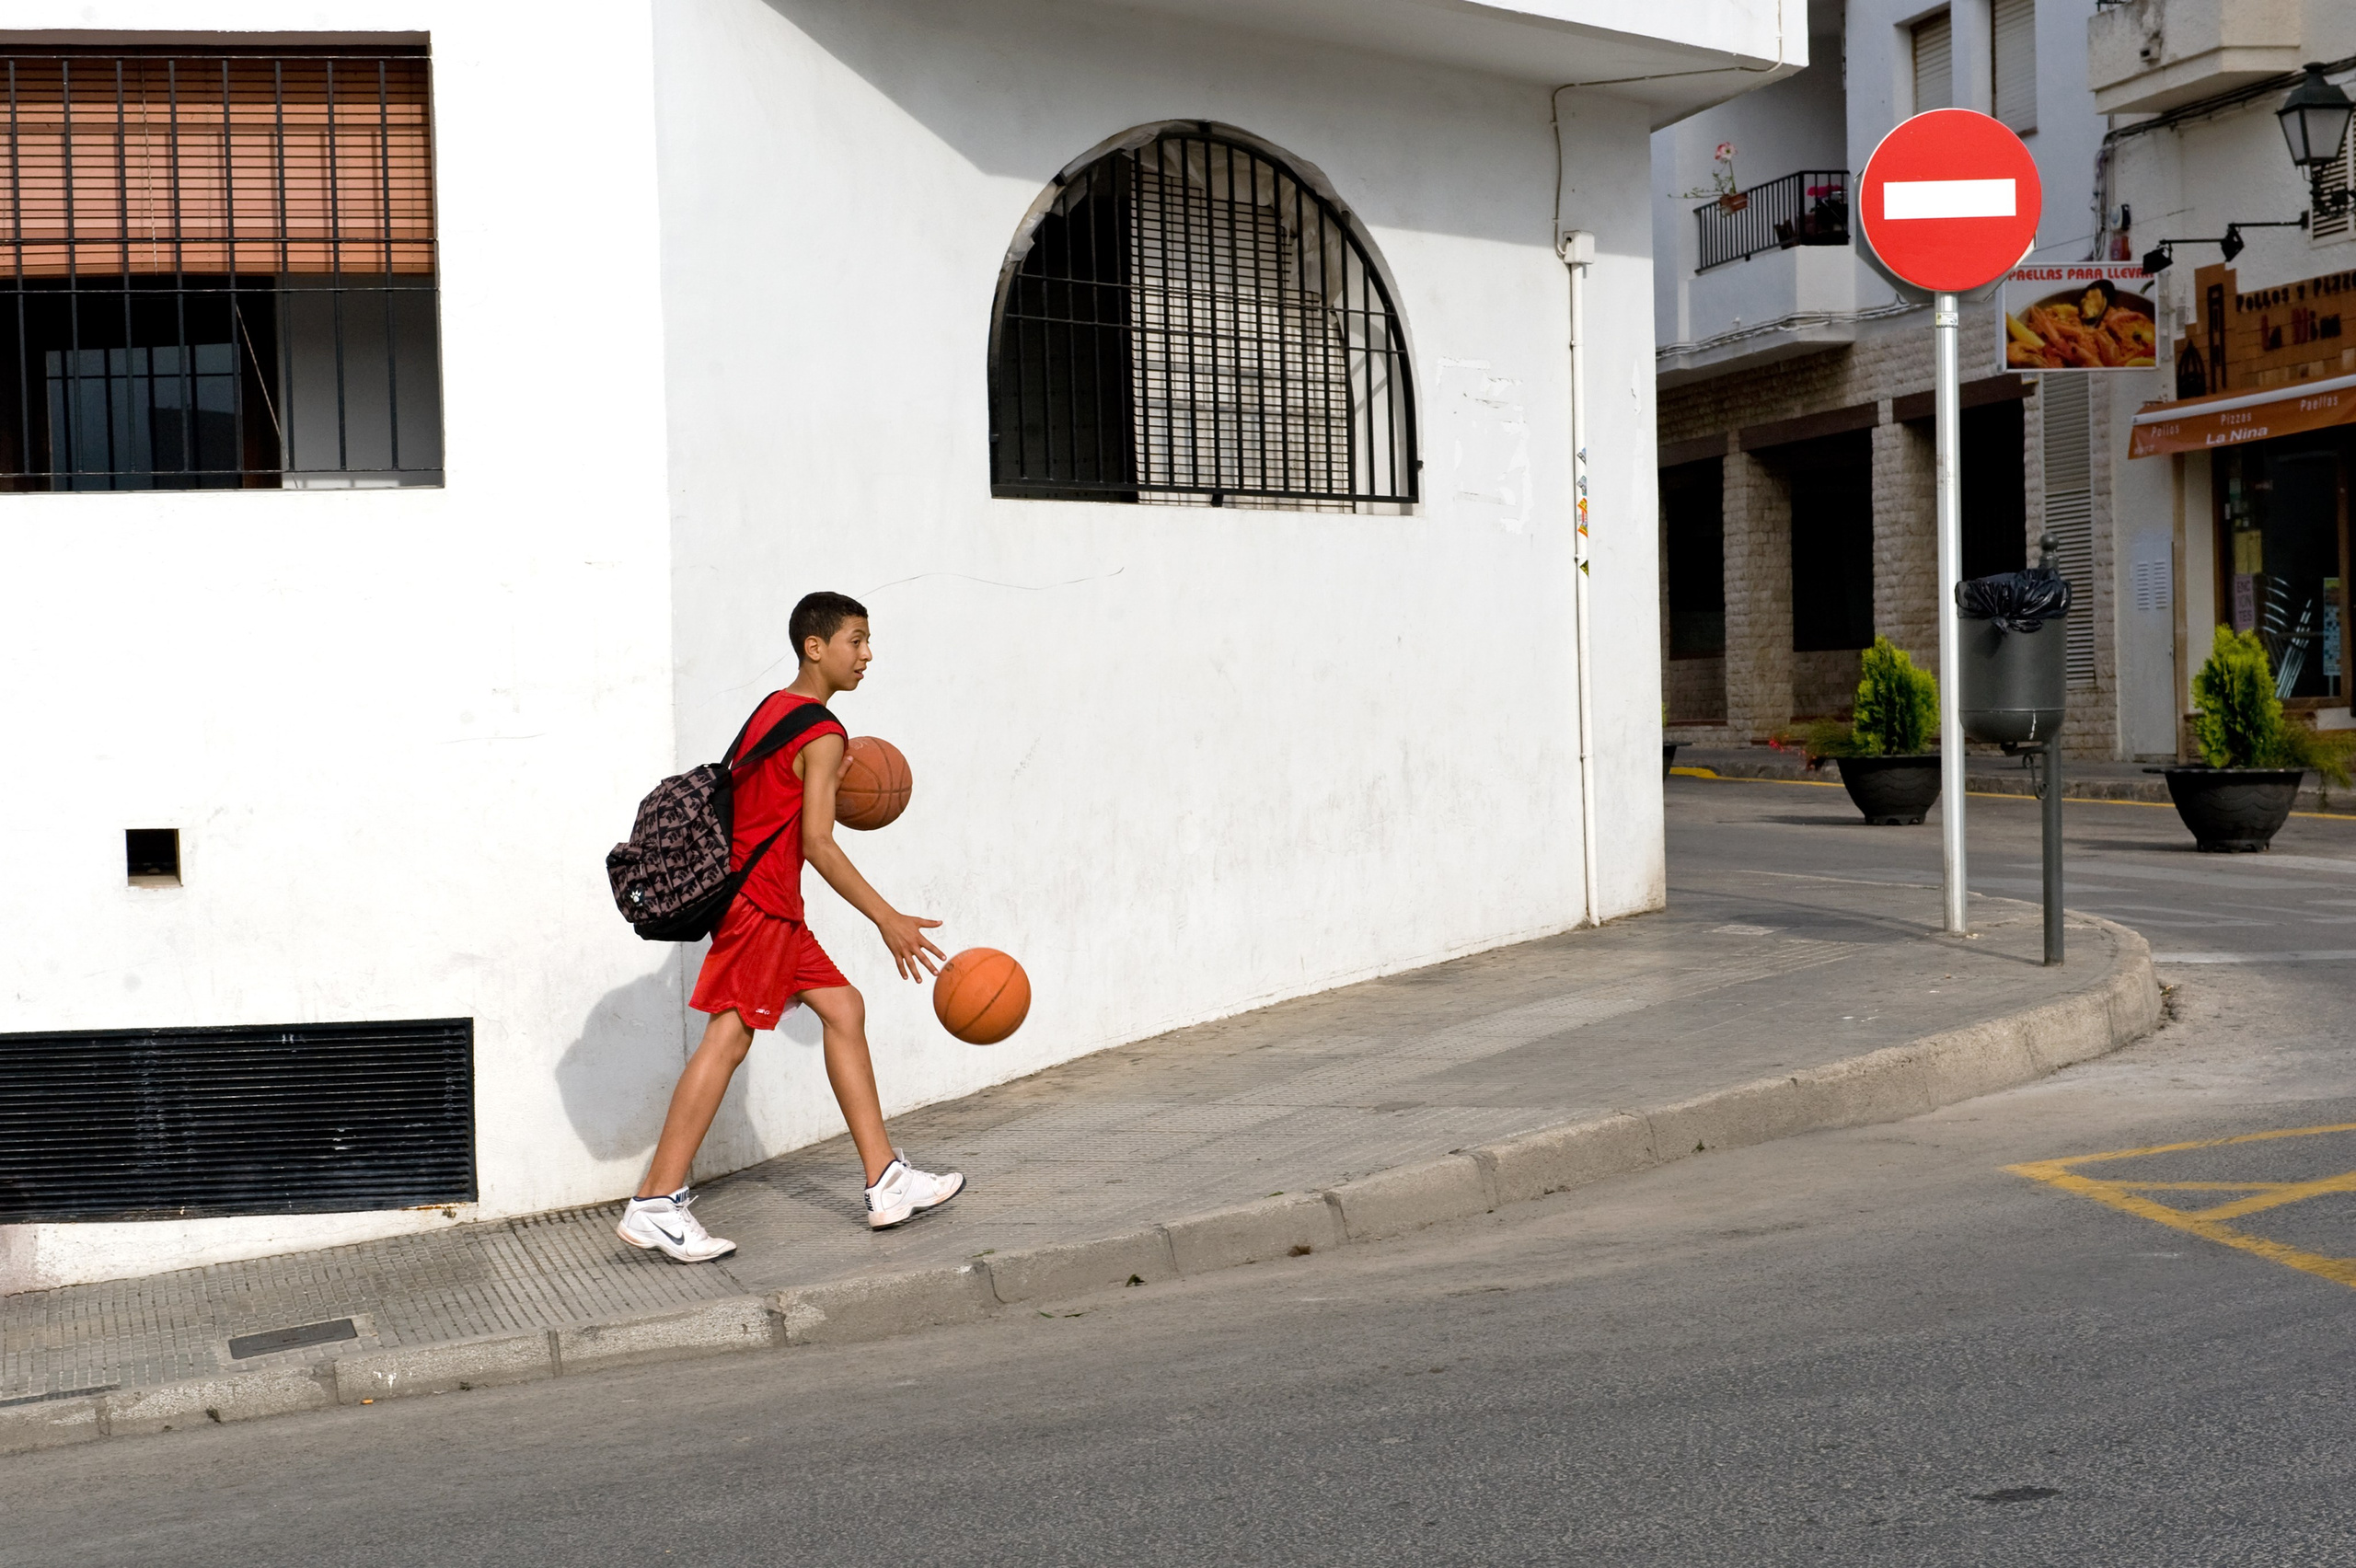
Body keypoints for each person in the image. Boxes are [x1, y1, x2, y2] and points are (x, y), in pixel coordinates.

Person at [618, 591, 964, 1262]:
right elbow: (818, 843)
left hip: (764, 904)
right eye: (856, 641)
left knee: (843, 1008)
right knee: (727, 1039)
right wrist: (887, 917)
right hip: (763, 909)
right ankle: (656, 1202)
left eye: (867, 642)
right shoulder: (823, 733)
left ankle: (886, 1180)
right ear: (816, 646)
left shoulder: (774, 711)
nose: (867, 655)